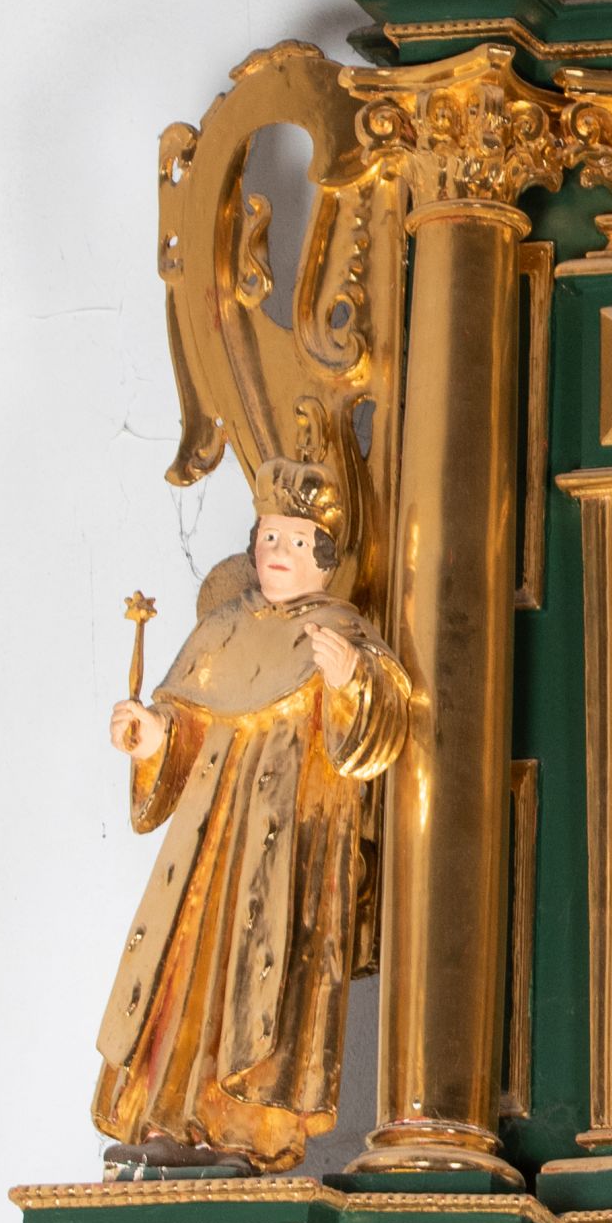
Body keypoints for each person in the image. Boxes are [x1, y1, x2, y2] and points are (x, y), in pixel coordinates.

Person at [94, 470, 409, 1172]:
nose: (277, 552)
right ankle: (169, 1120)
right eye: (269, 537)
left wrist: (348, 681)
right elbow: (189, 724)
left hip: (290, 848)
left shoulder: (340, 631)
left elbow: (381, 730)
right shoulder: (222, 630)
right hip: (209, 844)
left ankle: (244, 1130)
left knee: (266, 973)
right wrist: (152, 737)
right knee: (187, 965)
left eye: (295, 540)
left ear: (324, 558)